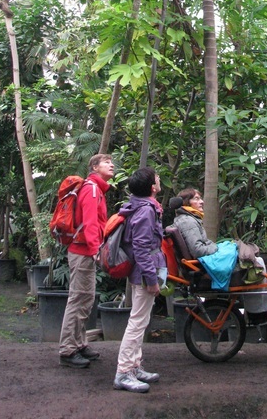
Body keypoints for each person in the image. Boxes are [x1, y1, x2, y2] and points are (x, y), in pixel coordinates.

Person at [172, 187, 267, 322]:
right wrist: (217, 249)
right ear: (187, 203)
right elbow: (198, 249)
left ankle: (258, 310)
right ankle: (258, 313)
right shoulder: (188, 222)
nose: (202, 202)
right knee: (257, 264)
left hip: (204, 265)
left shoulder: (187, 219)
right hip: (205, 269)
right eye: (197, 199)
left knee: (252, 258)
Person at [59, 153, 115, 368]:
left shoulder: (96, 189)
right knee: (79, 299)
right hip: (83, 251)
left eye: (112, 163)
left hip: (84, 250)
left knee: (85, 299)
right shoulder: (91, 189)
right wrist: (95, 250)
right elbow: (91, 223)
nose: (111, 165)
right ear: (94, 167)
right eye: (106, 163)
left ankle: (79, 343)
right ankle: (68, 350)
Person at [113, 167, 166, 393]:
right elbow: (142, 248)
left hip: (142, 271)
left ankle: (134, 366)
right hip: (145, 273)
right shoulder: (146, 211)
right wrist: (151, 279)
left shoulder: (138, 206)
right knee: (137, 322)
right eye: (156, 178)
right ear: (152, 188)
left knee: (141, 320)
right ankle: (124, 372)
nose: (159, 179)